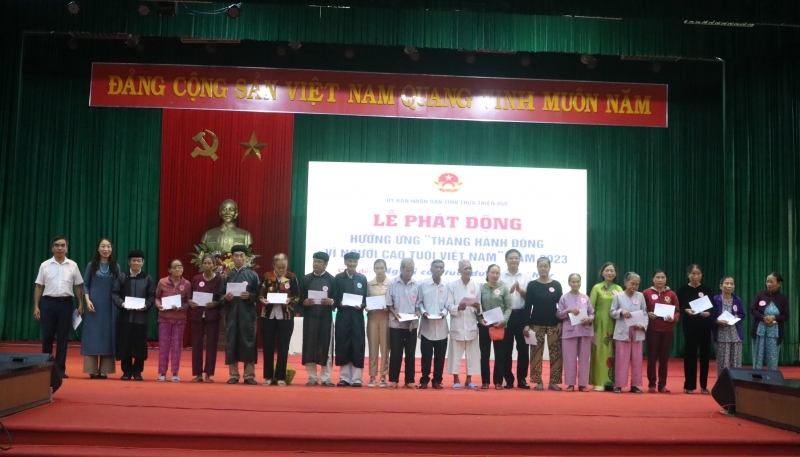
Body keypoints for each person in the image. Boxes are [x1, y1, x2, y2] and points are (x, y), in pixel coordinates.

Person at [33, 236, 84, 378]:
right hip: (48, 304)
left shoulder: (73, 265)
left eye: (63, 245)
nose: (60, 248)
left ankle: (60, 369)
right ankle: (45, 368)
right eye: (57, 245)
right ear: (52, 248)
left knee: (63, 338)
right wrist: (36, 306)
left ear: (66, 248)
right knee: (47, 337)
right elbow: (38, 286)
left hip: (66, 304)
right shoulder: (45, 265)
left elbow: (78, 286)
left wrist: (80, 304)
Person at [219, 245, 260, 385]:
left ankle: (249, 375)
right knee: (232, 341)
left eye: (241, 255)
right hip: (231, 314)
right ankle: (234, 375)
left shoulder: (252, 275)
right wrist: (225, 298)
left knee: (248, 341)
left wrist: (250, 295)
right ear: (231, 258)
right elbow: (219, 295)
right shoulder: (227, 275)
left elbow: (259, 295)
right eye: (235, 255)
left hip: (247, 315)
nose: (238, 258)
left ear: (246, 258)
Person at [112, 250, 155, 381]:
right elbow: (115, 293)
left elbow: (152, 295)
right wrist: (122, 303)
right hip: (125, 316)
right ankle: (126, 371)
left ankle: (137, 371)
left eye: (139, 260)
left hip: (141, 318)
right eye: (134, 260)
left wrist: (147, 305)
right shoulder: (122, 276)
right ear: (129, 261)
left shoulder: (147, 278)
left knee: (140, 345)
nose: (136, 263)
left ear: (143, 262)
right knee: (125, 343)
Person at [258, 253, 299, 386]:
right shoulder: (267, 276)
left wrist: (290, 300)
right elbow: (260, 294)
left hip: (286, 316)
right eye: (279, 267)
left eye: (284, 267)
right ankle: (268, 376)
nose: (282, 270)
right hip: (268, 315)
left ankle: (281, 376)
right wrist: (262, 300)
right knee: (268, 346)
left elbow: (297, 296)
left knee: (283, 346)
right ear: (274, 266)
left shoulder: (291, 277)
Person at [81, 238, 119, 379]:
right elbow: (85, 284)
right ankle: (91, 368)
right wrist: (87, 300)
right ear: (98, 249)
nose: (106, 249)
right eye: (103, 246)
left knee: (107, 335)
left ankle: (105, 369)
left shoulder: (116, 266)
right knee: (92, 335)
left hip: (109, 306)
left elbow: (118, 287)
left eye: (108, 246)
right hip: (93, 305)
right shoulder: (92, 265)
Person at [524, 257, 563, 391]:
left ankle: (554, 382)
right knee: (535, 354)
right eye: (540, 266)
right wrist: (526, 324)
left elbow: (561, 306)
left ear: (549, 267)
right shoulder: (532, 285)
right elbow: (528, 306)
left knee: (556, 353)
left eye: (545, 266)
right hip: (536, 324)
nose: (543, 268)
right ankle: (537, 381)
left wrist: (560, 322)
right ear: (537, 268)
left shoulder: (556, 285)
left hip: (553, 324)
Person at [677, 264, 716, 395]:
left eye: (698, 273)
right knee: (690, 356)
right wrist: (685, 310)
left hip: (705, 327)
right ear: (688, 275)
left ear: (701, 275)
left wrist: (709, 313)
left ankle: (704, 386)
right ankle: (689, 385)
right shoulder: (683, 290)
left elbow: (713, 307)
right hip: (689, 326)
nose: (696, 276)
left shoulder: (706, 289)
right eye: (693, 274)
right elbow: (678, 308)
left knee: (705, 356)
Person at [300, 251, 337, 387]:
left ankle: (326, 377)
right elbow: (299, 298)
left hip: (325, 318)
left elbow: (337, 299)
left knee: (326, 346)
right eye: (314, 260)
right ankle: (312, 377)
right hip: (310, 317)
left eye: (319, 261)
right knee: (309, 345)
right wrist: (303, 302)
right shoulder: (306, 279)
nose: (316, 263)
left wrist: (332, 301)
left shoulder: (332, 280)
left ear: (326, 264)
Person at [446, 259, 481, 390]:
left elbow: (480, 309)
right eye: (465, 268)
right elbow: (448, 305)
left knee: (471, 355)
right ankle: (456, 379)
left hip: (471, 325)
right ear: (459, 271)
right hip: (457, 324)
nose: (468, 270)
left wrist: (478, 307)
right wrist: (458, 307)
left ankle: (469, 380)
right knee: (455, 354)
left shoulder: (476, 286)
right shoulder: (452, 286)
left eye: (470, 268)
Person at [333, 252, 368, 387]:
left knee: (357, 345)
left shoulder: (362, 278)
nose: (352, 264)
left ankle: (357, 378)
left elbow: (365, 298)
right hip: (343, 316)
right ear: (345, 262)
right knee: (343, 344)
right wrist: (339, 303)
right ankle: (344, 377)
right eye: (350, 261)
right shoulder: (339, 278)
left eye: (355, 261)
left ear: (357, 263)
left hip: (357, 316)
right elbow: (335, 296)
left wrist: (363, 305)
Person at [386, 257, 421, 389]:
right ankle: (394, 380)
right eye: (407, 270)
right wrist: (394, 314)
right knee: (396, 353)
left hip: (411, 324)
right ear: (401, 269)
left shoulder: (416, 284)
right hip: (396, 324)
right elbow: (388, 303)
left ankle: (409, 380)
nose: (409, 273)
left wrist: (417, 312)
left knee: (410, 353)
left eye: (412, 270)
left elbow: (418, 304)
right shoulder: (393, 283)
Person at [499, 249, 531, 389]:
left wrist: (520, 291)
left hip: (522, 314)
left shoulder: (526, 276)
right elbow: (497, 298)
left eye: (516, 258)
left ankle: (522, 379)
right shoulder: (500, 277)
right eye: (511, 258)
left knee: (523, 349)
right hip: (506, 315)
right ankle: (509, 379)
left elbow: (530, 298)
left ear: (519, 260)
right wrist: (509, 292)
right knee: (506, 349)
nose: (513, 260)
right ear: (506, 260)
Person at [557, 273, 595, 392]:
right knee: (569, 358)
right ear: (569, 283)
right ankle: (570, 383)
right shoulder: (564, 298)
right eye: (573, 281)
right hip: (569, 331)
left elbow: (592, 313)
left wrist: (589, 319)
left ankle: (583, 384)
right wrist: (568, 310)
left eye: (578, 281)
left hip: (585, 331)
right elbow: (558, 314)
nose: (576, 284)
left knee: (584, 358)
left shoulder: (585, 297)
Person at [643, 270, 680, 393]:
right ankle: (652, 385)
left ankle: (662, 384)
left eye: (662, 277)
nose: (660, 280)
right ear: (653, 279)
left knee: (664, 359)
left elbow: (677, 312)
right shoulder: (646, 293)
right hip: (652, 329)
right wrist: (648, 313)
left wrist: (673, 318)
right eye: (657, 277)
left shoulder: (671, 294)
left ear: (666, 279)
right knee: (652, 358)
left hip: (667, 330)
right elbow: (641, 310)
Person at [610, 272, 647, 394]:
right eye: (632, 283)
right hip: (623, 330)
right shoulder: (618, 296)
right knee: (621, 359)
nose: (634, 286)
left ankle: (635, 385)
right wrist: (621, 311)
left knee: (637, 359)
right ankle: (619, 385)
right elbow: (612, 312)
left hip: (637, 331)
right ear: (625, 282)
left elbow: (645, 313)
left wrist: (643, 325)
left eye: (637, 284)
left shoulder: (640, 296)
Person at [588, 262, 623, 392]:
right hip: (599, 324)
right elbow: (590, 308)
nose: (609, 273)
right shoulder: (597, 287)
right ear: (602, 273)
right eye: (607, 270)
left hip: (616, 324)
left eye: (612, 271)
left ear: (615, 273)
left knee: (614, 352)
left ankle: (611, 382)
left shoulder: (619, 289)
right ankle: (598, 381)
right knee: (599, 352)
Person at [155, 258, 191, 382]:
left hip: (179, 319)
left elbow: (188, 302)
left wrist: (181, 307)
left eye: (180, 267)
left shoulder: (187, 284)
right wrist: (158, 305)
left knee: (176, 347)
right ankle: (162, 373)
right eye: (174, 267)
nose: (177, 269)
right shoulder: (162, 282)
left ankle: (175, 373)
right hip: (164, 318)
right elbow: (157, 297)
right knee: (164, 347)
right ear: (169, 270)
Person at [188, 254, 222, 383]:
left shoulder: (219, 279)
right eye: (205, 263)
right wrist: (190, 302)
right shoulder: (196, 279)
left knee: (211, 344)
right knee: (196, 344)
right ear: (202, 264)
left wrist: (216, 303)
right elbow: (189, 296)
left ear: (214, 265)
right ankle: (197, 374)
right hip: (197, 315)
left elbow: (222, 298)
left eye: (210, 263)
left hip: (212, 315)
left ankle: (209, 373)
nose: (207, 266)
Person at [417, 260, 449, 389]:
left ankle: (437, 380)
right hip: (427, 326)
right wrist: (424, 312)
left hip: (441, 327)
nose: (438, 269)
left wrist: (444, 313)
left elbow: (448, 303)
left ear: (444, 270)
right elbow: (419, 302)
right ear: (431, 268)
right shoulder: (423, 284)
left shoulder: (447, 285)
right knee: (426, 356)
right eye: (436, 267)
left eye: (441, 267)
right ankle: (424, 379)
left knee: (440, 357)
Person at [479, 264, 512, 390]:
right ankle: (485, 381)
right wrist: (479, 319)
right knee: (485, 354)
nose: (495, 275)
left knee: (500, 355)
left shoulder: (503, 288)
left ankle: (498, 381)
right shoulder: (481, 289)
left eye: (497, 273)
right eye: (492, 272)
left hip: (500, 325)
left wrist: (503, 321)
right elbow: (478, 308)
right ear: (487, 273)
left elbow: (508, 307)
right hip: (485, 325)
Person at [750, 272, 790, 371]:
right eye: (767, 281)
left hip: (774, 333)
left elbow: (786, 316)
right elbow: (752, 309)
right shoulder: (760, 294)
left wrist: (774, 318)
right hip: (759, 331)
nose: (768, 284)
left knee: (772, 359)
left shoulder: (783, 298)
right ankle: (756, 379)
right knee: (757, 359)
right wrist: (764, 318)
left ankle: (771, 381)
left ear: (779, 283)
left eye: (772, 282)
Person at [713, 276, 744, 376]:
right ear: (721, 286)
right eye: (726, 283)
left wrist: (737, 316)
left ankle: (736, 386)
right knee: (722, 364)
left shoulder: (737, 300)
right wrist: (717, 321)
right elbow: (710, 317)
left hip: (735, 335)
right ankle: (722, 387)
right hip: (722, 335)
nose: (729, 286)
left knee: (736, 364)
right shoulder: (715, 299)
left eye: (732, 284)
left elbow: (742, 314)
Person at [367, 259, 390, 388]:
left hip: (386, 319)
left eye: (382, 268)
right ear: (374, 269)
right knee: (373, 348)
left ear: (386, 268)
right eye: (377, 268)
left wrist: (388, 307)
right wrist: (366, 306)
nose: (379, 270)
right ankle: (371, 376)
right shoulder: (369, 284)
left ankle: (383, 376)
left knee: (385, 349)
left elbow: (393, 301)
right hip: (373, 319)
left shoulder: (391, 283)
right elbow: (365, 300)